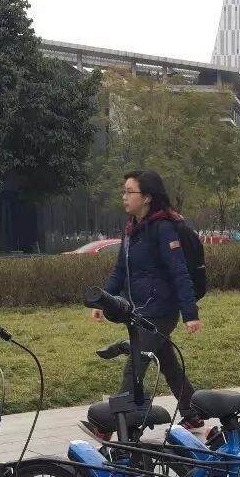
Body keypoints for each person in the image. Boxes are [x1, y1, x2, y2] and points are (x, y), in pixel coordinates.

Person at [91, 169, 203, 426]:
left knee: (135, 365)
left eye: (130, 192)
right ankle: (194, 413)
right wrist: (103, 300)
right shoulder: (132, 228)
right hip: (140, 311)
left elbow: (179, 272)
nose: (124, 196)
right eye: (124, 191)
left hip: (161, 312)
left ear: (147, 197)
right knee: (169, 365)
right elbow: (120, 270)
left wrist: (190, 314)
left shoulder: (164, 229)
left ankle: (112, 425)